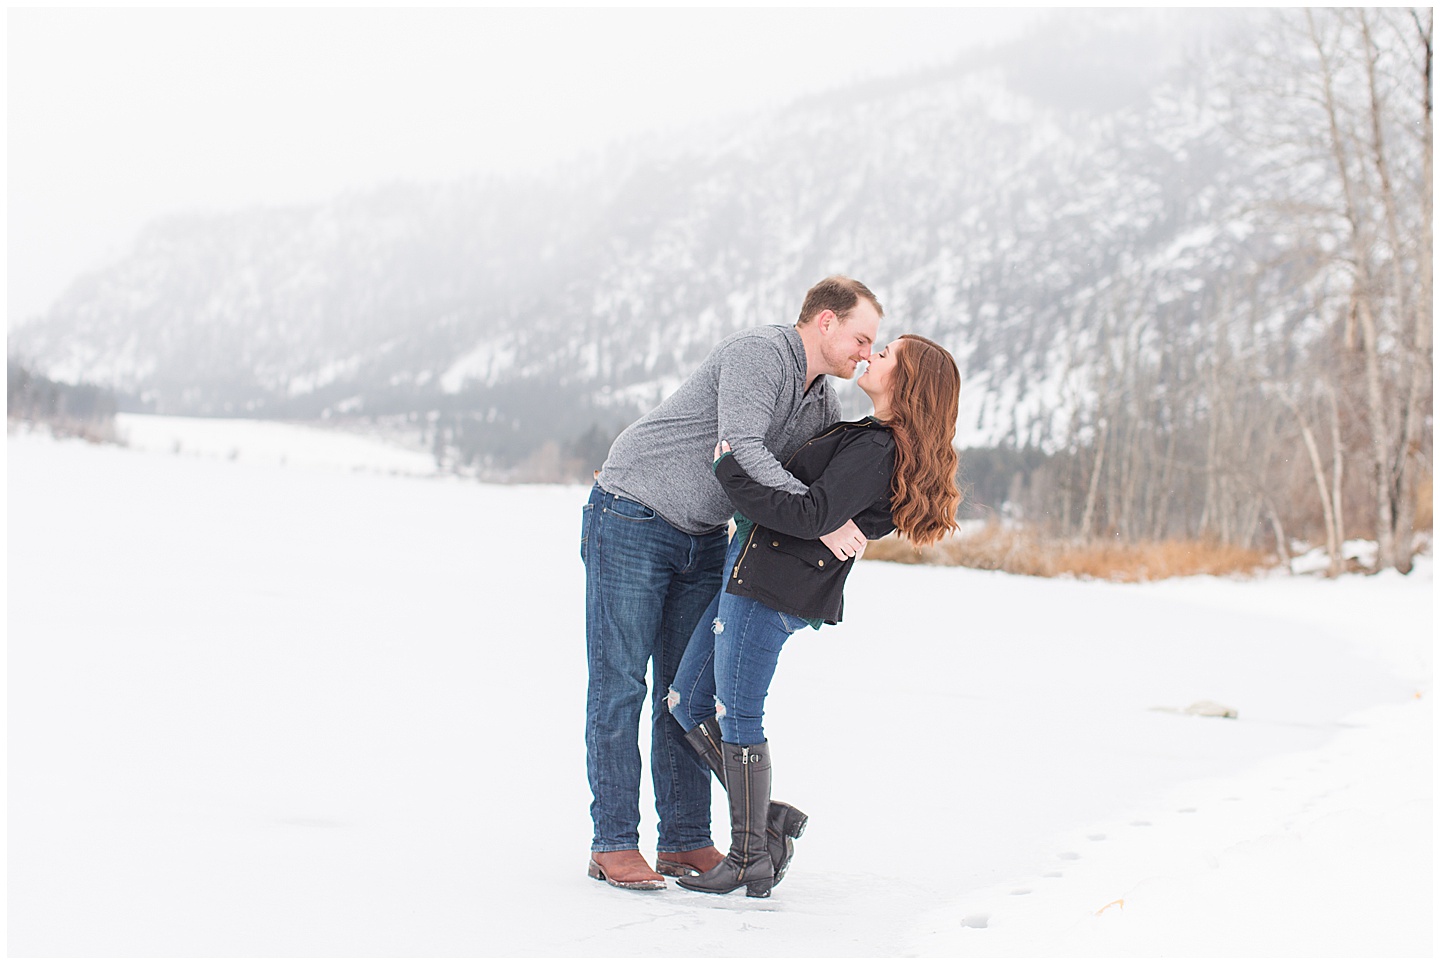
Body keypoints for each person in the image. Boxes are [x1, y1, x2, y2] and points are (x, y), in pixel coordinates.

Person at [583, 277, 884, 890]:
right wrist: (821, 522)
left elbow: (808, 485)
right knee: (620, 686)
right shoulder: (760, 354)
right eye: (861, 337)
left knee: (681, 693)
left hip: (704, 536)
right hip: (634, 511)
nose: (864, 352)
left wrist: (844, 513)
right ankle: (612, 841)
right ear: (825, 321)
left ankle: (685, 839)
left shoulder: (822, 403)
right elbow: (742, 450)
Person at [666, 334, 962, 898]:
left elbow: (810, 513)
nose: (872, 356)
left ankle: (750, 856)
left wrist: (730, 468)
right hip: (751, 575)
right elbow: (825, 510)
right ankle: (768, 818)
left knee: (738, 712)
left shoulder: (880, 448)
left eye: (886, 355)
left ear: (908, 382)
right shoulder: (872, 440)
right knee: (686, 702)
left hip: (773, 588)